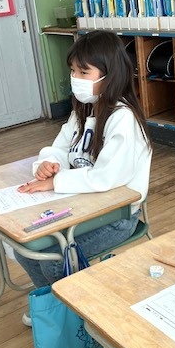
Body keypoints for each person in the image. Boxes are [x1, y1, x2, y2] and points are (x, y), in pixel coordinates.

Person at [15, 30, 152, 288]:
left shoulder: (123, 118)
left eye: (83, 72)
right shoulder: (84, 110)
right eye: (73, 71)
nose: (75, 79)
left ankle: (70, 305)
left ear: (110, 74)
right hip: (81, 205)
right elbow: (59, 146)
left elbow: (106, 178)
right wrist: (48, 165)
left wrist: (56, 182)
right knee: (26, 248)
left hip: (116, 217)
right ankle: (54, 303)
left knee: (54, 262)